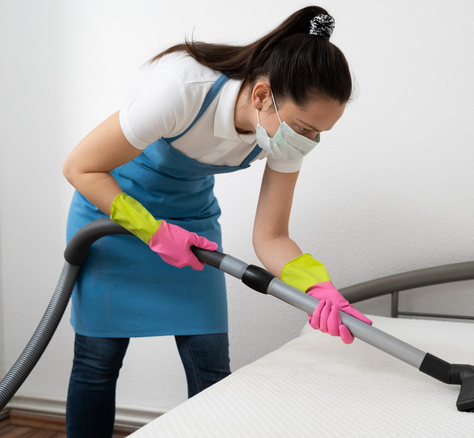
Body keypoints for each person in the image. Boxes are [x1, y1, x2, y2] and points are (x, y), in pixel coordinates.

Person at [61, 6, 372, 437]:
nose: (308, 142)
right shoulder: (181, 89)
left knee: (210, 365)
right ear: (263, 95)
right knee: (97, 363)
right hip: (110, 217)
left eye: (319, 133)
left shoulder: (282, 136)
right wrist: (151, 231)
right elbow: (81, 167)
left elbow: (272, 234)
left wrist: (318, 285)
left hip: (191, 228)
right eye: (304, 128)